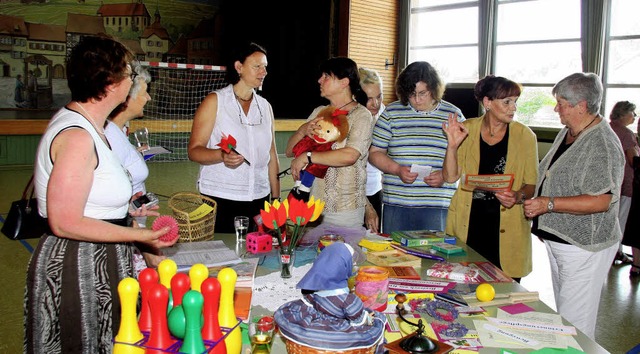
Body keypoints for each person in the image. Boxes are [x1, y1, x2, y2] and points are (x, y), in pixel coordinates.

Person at [24, 35, 177, 353]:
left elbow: (91, 198)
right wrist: (143, 233)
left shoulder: (94, 127)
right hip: (77, 264)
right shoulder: (78, 136)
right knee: (82, 341)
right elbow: (64, 221)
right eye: (130, 74)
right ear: (110, 83)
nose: (133, 81)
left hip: (98, 257)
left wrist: (127, 211)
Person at [523, 72, 624, 339]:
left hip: (584, 247)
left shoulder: (601, 143)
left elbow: (602, 200)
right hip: (562, 243)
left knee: (575, 326)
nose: (556, 108)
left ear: (581, 106)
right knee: (566, 316)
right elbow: (551, 177)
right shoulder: (570, 132)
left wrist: (549, 204)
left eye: (561, 103)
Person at [442, 75, 538, 281]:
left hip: (507, 225)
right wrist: (452, 145)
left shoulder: (525, 136)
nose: (513, 108)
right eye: (506, 102)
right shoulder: (467, 129)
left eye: (515, 102)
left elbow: (531, 184)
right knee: (464, 286)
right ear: (487, 102)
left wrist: (517, 195)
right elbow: (450, 177)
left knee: (504, 292)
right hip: (469, 222)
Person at [188, 42, 280, 233]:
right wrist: (221, 155)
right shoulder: (215, 101)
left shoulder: (265, 107)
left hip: (260, 197)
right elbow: (194, 151)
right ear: (239, 67)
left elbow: (272, 155)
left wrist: (276, 198)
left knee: (256, 255)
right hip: (221, 197)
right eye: (257, 66)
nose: (264, 72)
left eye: (265, 67)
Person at [369, 61, 464, 233]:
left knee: (435, 257)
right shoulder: (391, 113)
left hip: (438, 202)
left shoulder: (453, 116)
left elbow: (464, 159)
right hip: (397, 203)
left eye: (422, 93)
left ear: (434, 88)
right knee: (395, 257)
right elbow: (375, 153)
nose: (417, 100)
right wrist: (397, 169)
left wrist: (444, 175)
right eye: (411, 94)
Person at [286, 57, 373, 231]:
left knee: (340, 255)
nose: (320, 80)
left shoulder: (361, 115)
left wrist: (308, 157)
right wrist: (303, 130)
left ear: (344, 82)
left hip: (345, 208)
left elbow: (350, 156)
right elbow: (289, 151)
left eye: (326, 76)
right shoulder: (319, 112)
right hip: (313, 206)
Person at [274, 242, 386, 353]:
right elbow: (358, 320)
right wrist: (368, 319)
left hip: (315, 323)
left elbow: (312, 302)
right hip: (337, 331)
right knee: (377, 320)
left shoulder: (316, 291)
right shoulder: (349, 300)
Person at [104, 62, 159, 275]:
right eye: (144, 93)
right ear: (128, 96)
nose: (148, 98)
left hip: (133, 229)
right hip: (126, 235)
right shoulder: (108, 134)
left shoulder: (119, 130)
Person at [609, 101, 638, 267]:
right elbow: (633, 160)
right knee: (620, 219)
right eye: (633, 114)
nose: (634, 117)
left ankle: (615, 251)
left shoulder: (607, 128)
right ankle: (616, 251)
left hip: (609, 182)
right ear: (625, 114)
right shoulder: (626, 134)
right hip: (624, 182)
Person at [358, 67, 385, 233]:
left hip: (375, 189)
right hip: (352, 194)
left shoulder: (385, 114)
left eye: (379, 96)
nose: (375, 103)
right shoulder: (352, 118)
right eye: (369, 99)